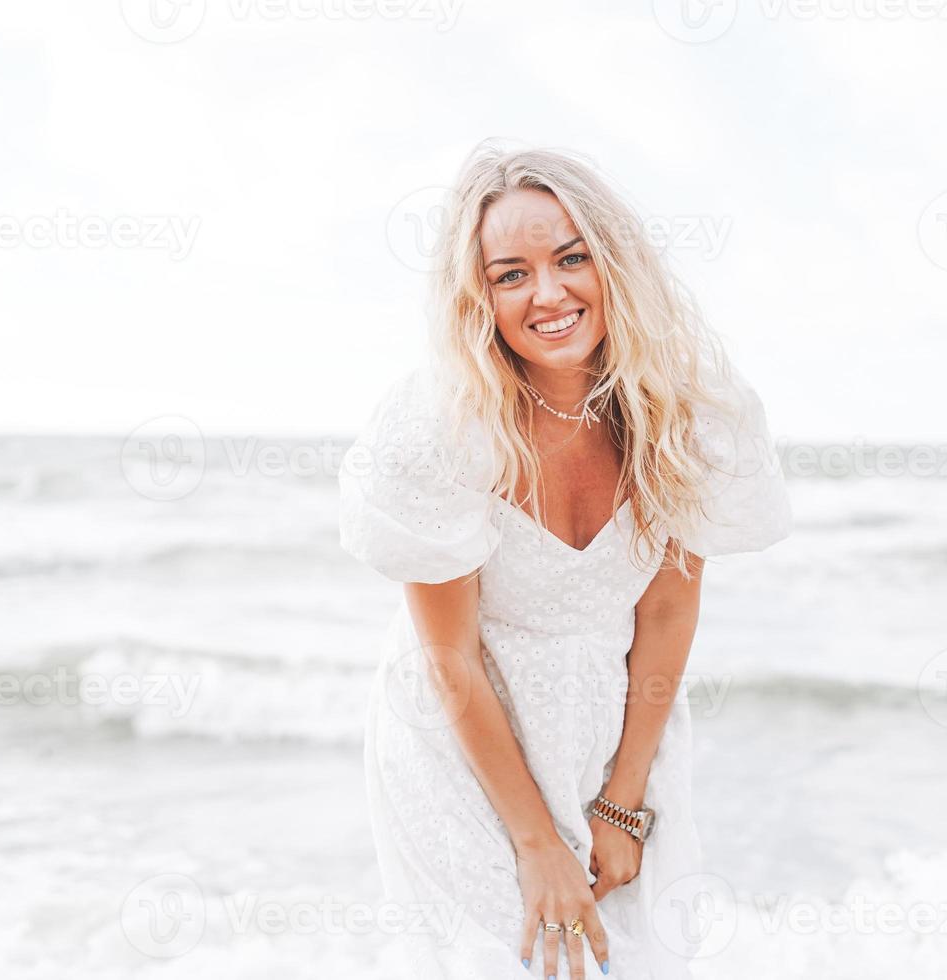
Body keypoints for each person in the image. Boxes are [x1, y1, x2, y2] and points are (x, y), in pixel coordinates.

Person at [338, 141, 791, 980]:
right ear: (479, 296)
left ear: (613, 262)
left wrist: (623, 803)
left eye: (571, 258)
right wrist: (538, 842)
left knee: (638, 960)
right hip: (459, 741)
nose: (547, 294)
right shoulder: (442, 433)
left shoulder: (686, 415)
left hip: (614, 731)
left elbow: (664, 610)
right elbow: (450, 657)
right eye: (510, 274)